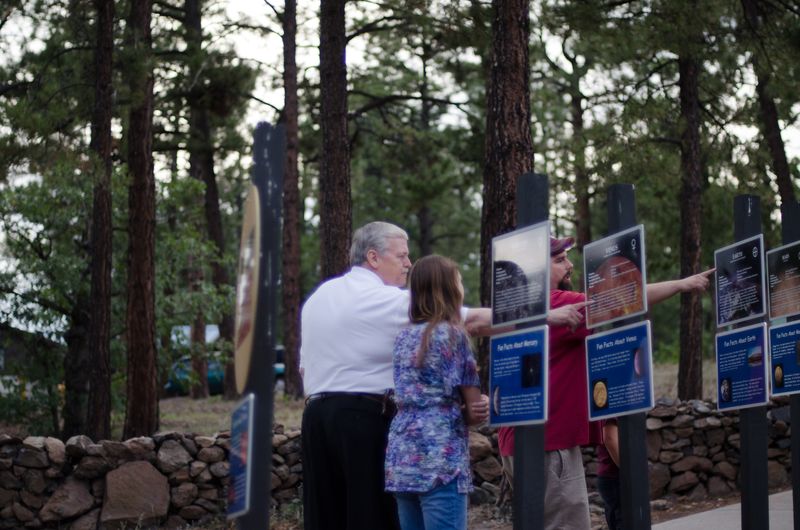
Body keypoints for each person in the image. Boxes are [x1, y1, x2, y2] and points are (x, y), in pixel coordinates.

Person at [299, 222, 585, 530]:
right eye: (401, 255)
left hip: (315, 419)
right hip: (363, 420)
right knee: (371, 518)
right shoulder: (384, 299)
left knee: (327, 517)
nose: (408, 263)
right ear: (373, 257)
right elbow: (471, 321)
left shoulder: (320, 297)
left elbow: (304, 367)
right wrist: (546, 316)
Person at [497, 236, 713, 530]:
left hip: (518, 441)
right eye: (559, 260)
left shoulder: (520, 309)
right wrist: (682, 284)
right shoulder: (555, 304)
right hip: (549, 443)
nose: (570, 265)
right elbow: (625, 296)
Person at [385, 255, 489, 530]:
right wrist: (481, 406)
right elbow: (474, 410)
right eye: (459, 281)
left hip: (403, 456)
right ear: (450, 288)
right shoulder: (453, 336)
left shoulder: (402, 339)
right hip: (440, 459)